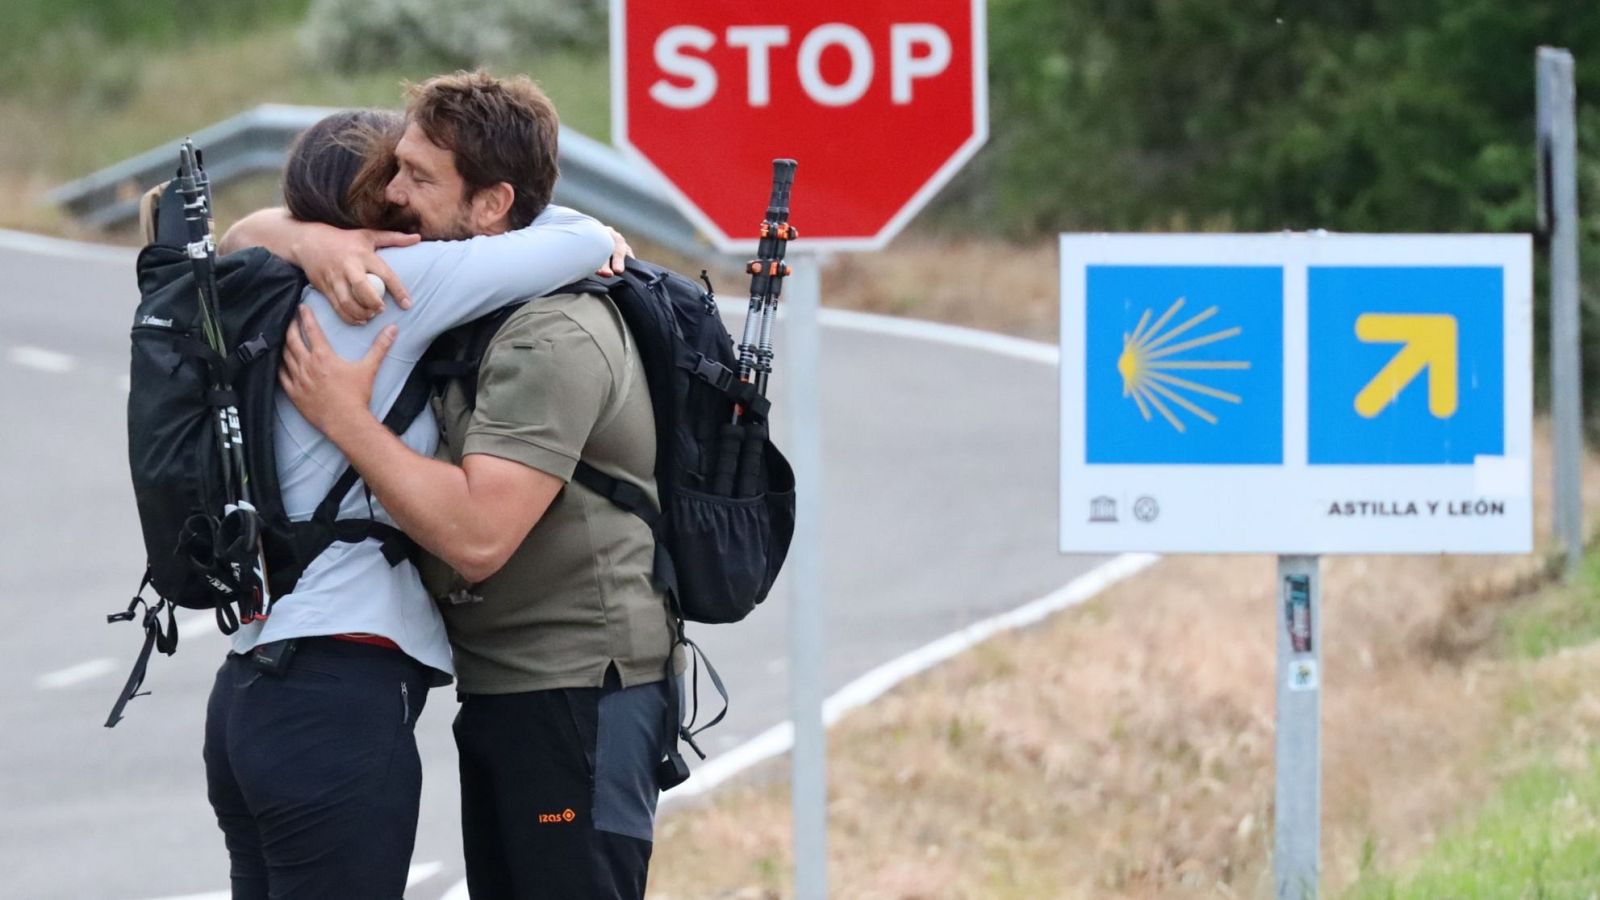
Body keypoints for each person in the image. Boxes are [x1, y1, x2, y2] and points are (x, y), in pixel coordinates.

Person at [204, 74, 625, 899]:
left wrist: (290, 233)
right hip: (336, 687)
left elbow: (236, 236)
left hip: (251, 689)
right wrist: (600, 226)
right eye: (391, 176)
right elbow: (573, 242)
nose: (401, 195)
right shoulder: (390, 288)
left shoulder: (252, 287)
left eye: (415, 176)